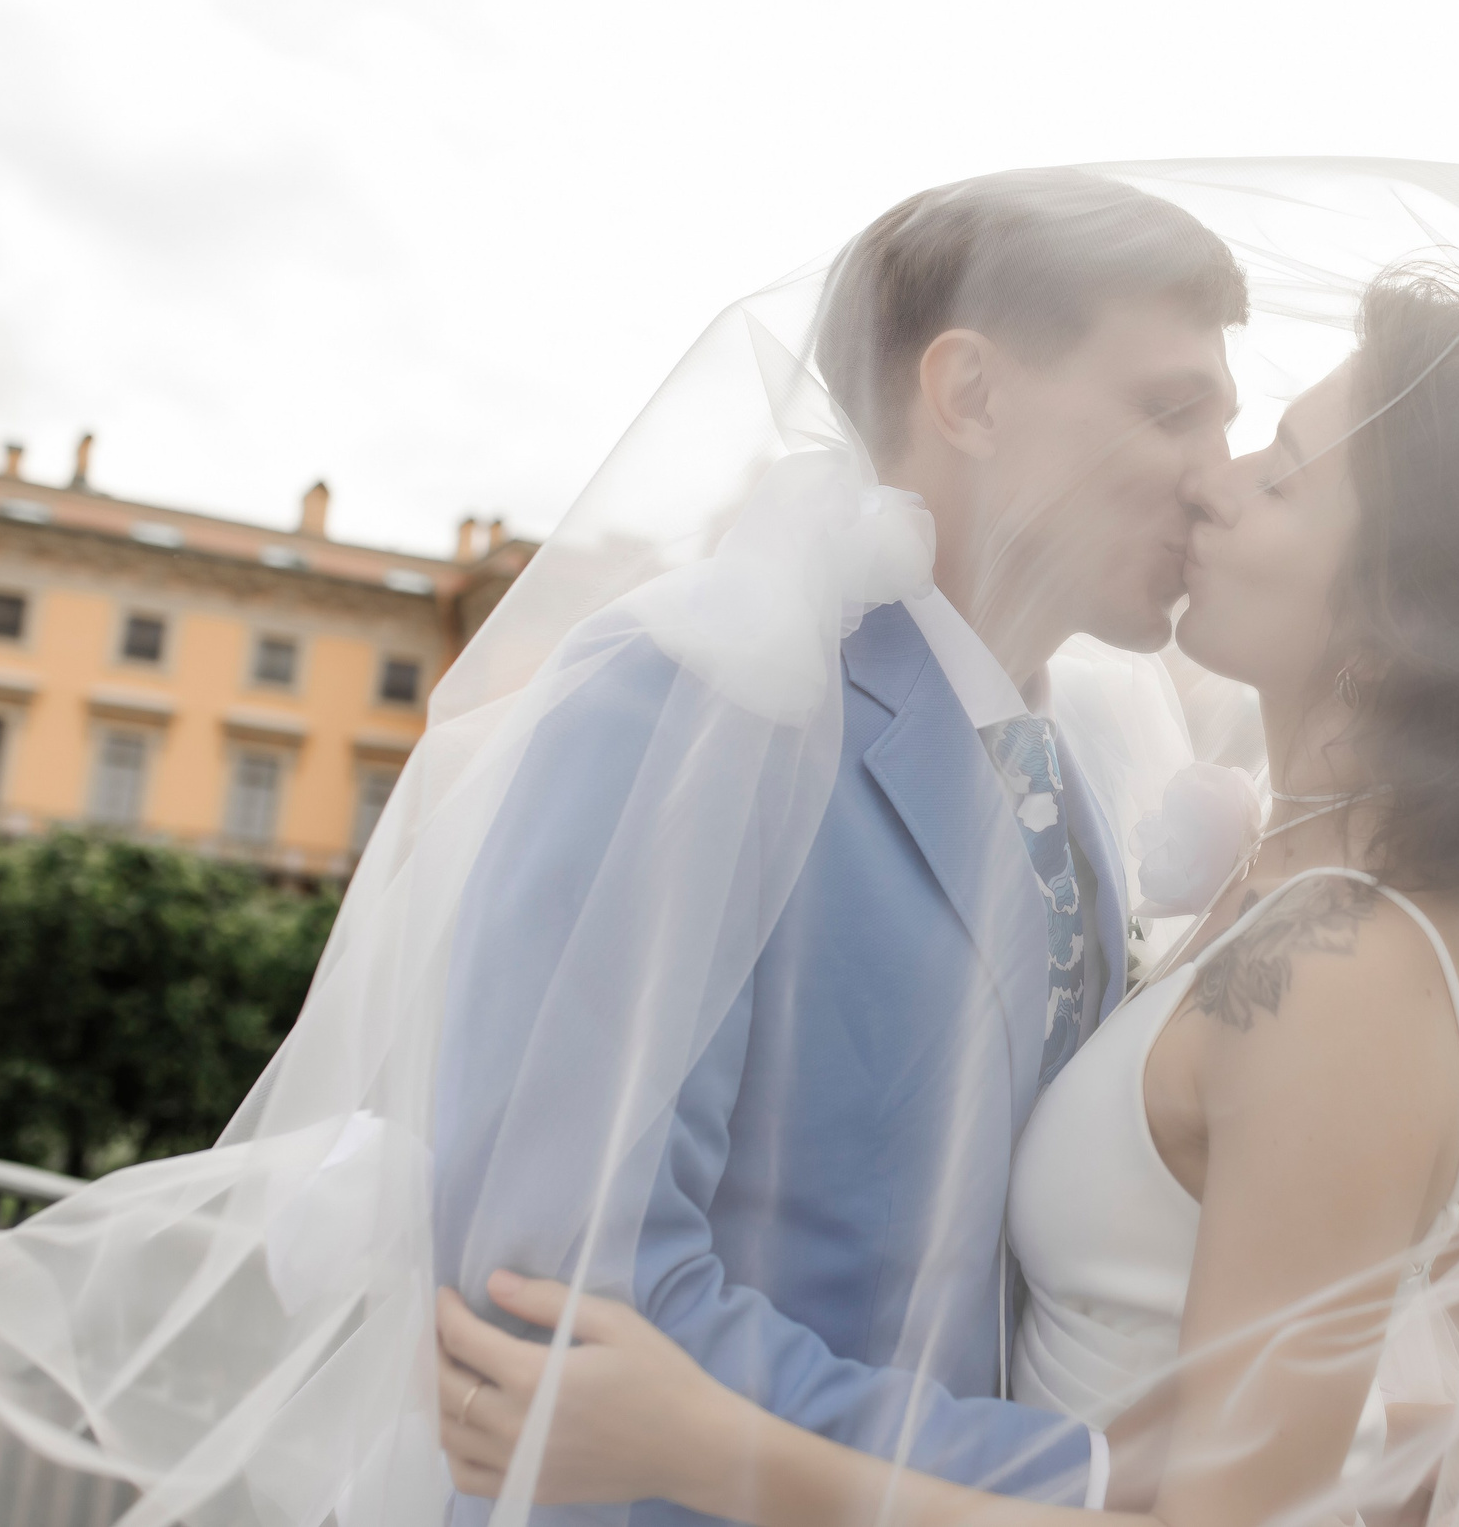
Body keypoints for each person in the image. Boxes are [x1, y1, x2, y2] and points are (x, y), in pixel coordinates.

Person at [430, 268, 1459, 1526]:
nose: (1215, 480)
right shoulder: (1312, 883)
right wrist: (1350, 1437)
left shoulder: (1358, 964)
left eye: (1280, 475)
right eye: (1178, 418)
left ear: (1402, 608)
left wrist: (716, 1450)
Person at [432, 169, 1248, 1523]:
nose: (1220, 478)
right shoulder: (690, 701)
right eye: (1173, 411)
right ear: (971, 395)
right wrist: (1097, 1481)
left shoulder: (1079, 784)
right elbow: (557, 1293)